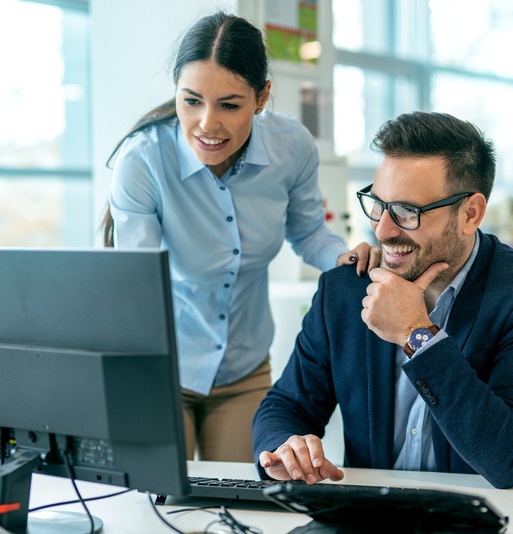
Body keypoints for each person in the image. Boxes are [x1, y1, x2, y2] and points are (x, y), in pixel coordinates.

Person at [252, 111, 513, 489]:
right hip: (372, 520)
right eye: (378, 204)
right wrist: (286, 447)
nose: (382, 230)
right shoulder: (345, 289)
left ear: (470, 214)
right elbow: (285, 406)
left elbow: (508, 459)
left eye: (408, 212)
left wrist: (415, 332)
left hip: (485, 518)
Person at [106, 11, 377, 462]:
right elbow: (139, 283)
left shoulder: (291, 146)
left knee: (239, 508)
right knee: (155, 510)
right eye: (191, 101)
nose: (207, 124)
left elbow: (309, 232)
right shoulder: (144, 161)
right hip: (160, 366)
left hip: (245, 369)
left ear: (262, 96)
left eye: (229, 105)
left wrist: (349, 258)